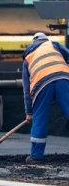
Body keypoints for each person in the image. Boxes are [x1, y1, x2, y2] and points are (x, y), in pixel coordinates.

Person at [22, 32, 69, 164]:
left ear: (33, 43)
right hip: (63, 79)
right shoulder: (53, 45)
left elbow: (26, 89)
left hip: (41, 83)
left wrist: (29, 112)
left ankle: (36, 156)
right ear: (45, 40)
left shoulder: (28, 57)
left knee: (40, 118)